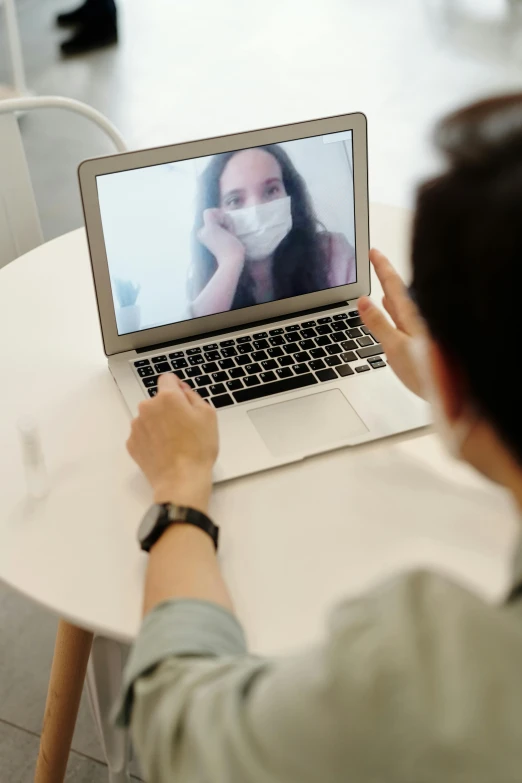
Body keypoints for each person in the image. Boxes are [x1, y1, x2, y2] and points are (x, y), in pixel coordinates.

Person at [116, 93, 522, 781]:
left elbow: (177, 733)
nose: (258, 205)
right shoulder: (213, 267)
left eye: (270, 189)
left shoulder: (424, 670)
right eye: (237, 196)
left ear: (447, 379)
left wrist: (182, 486)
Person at [189, 145, 356, 318]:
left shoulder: (333, 252)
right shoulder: (206, 280)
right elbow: (195, 336)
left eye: (271, 190)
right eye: (235, 200)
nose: (257, 209)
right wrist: (230, 261)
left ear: (290, 194)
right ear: (216, 214)